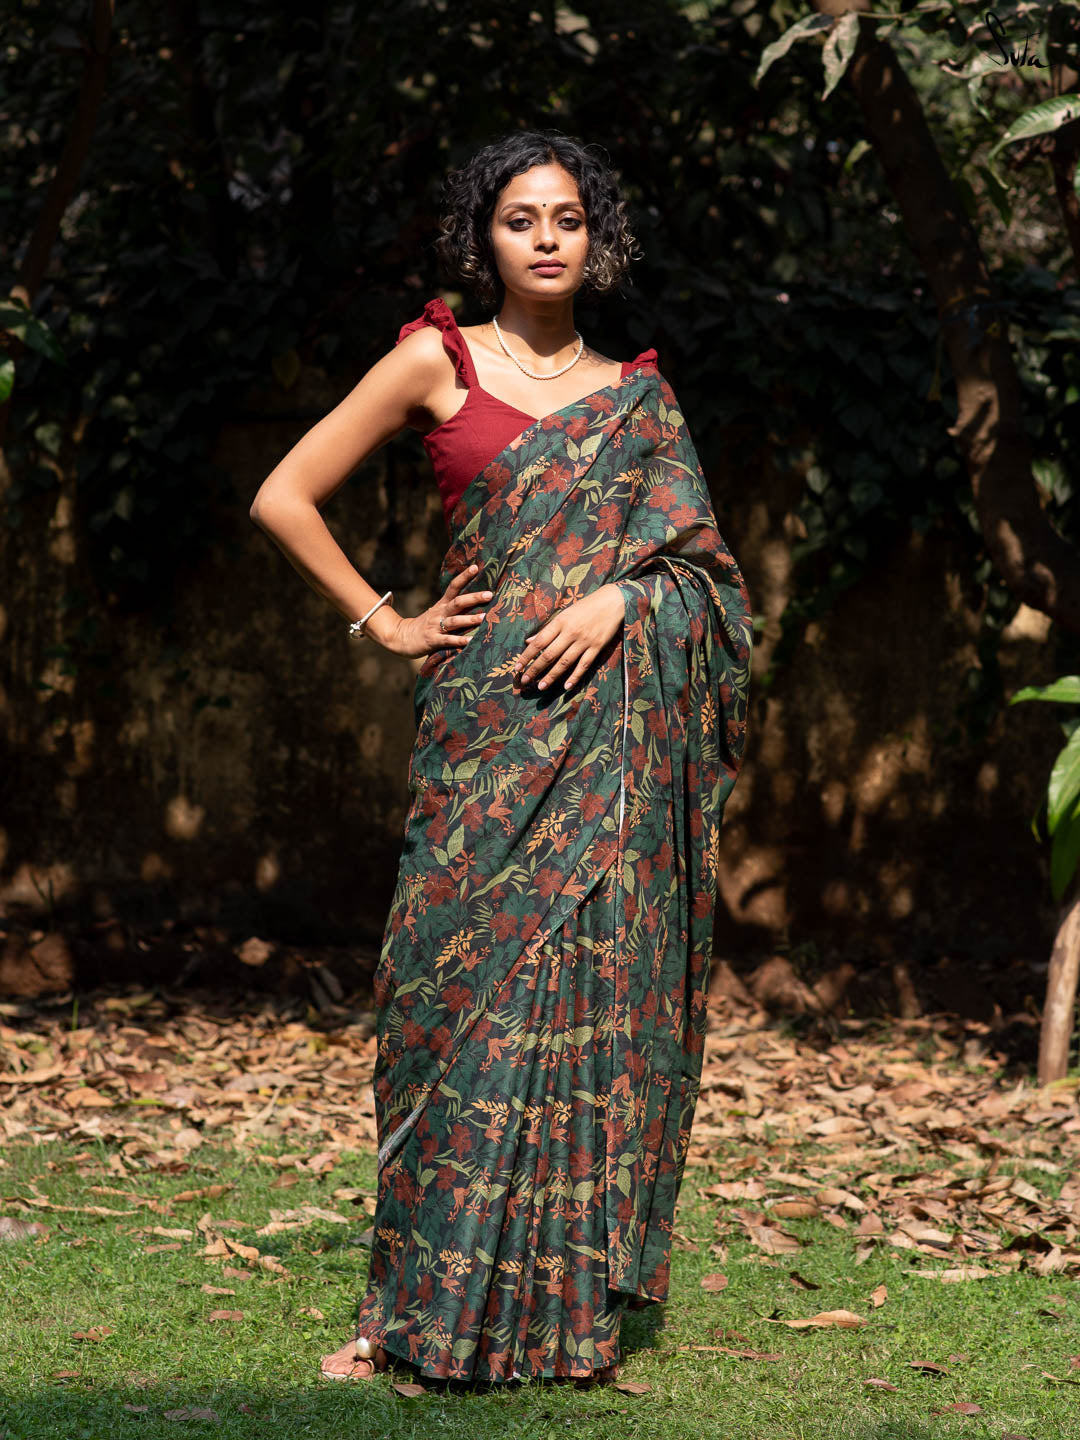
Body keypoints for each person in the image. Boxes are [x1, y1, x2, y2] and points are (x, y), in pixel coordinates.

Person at [249, 128, 752, 1388]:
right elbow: (283, 495)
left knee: (580, 999)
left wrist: (625, 601)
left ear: (597, 237)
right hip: (482, 736)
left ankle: (557, 1319)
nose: (545, 238)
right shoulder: (438, 359)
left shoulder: (639, 400)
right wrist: (388, 621)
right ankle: (404, 1312)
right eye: (521, 218)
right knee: (439, 999)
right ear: (485, 237)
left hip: (602, 746)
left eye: (567, 218)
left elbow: (707, 577)